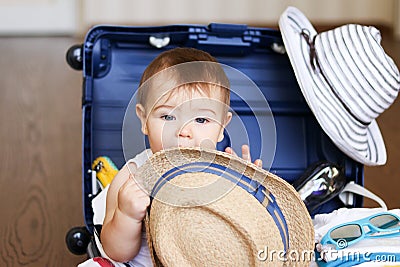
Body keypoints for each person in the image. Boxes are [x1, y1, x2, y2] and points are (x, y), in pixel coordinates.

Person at [100, 47, 262, 265]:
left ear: (222, 126)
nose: (183, 131)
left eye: (201, 120)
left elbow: (250, 235)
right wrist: (126, 215)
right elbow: (116, 252)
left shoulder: (227, 173)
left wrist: (248, 195)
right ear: (144, 119)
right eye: (168, 116)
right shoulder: (133, 176)